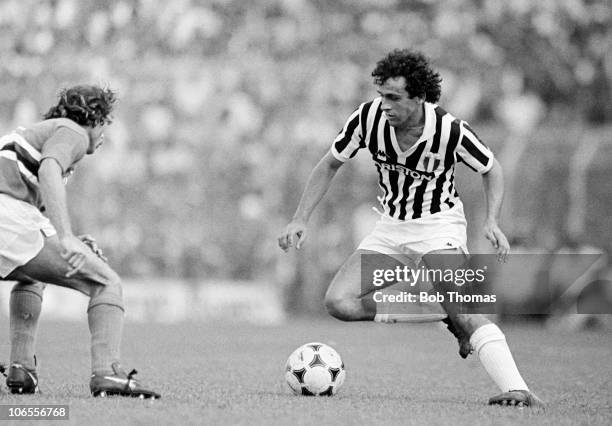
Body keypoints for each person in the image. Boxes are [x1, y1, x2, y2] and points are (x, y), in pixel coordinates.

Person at [278, 49, 544, 408]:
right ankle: (440, 309)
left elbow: (491, 168)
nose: (384, 105)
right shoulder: (367, 119)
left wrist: (492, 220)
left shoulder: (449, 129)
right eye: (381, 95)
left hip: (439, 226)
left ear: (419, 97)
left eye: (393, 97)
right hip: (390, 227)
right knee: (339, 302)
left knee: (465, 311)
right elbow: (329, 164)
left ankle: (518, 389)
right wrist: (300, 218)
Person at [0, 85, 159, 399]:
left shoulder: (39, 132)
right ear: (95, 119)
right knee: (106, 282)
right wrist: (66, 237)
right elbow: (48, 169)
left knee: (31, 276)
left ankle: (21, 368)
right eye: (106, 124)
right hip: (7, 217)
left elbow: (30, 207)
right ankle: (108, 373)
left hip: (11, 218)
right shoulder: (73, 131)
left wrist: (66, 236)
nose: (103, 135)